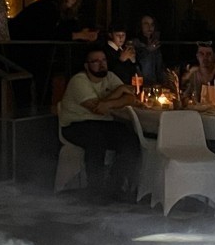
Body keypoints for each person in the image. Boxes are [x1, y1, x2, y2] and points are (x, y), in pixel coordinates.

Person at [58, 45, 142, 200]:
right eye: (95, 61)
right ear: (87, 66)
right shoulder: (79, 81)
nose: (101, 63)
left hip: (103, 123)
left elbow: (130, 97)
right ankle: (95, 189)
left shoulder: (110, 76)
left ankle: (114, 185)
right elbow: (97, 108)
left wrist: (109, 103)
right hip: (76, 124)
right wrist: (118, 92)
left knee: (130, 139)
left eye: (103, 60)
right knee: (96, 141)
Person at [132, 15, 166, 85]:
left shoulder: (155, 44)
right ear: (140, 26)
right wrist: (148, 50)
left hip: (156, 84)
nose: (149, 27)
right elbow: (135, 64)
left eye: (152, 24)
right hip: (140, 84)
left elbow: (160, 67)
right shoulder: (135, 43)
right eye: (146, 24)